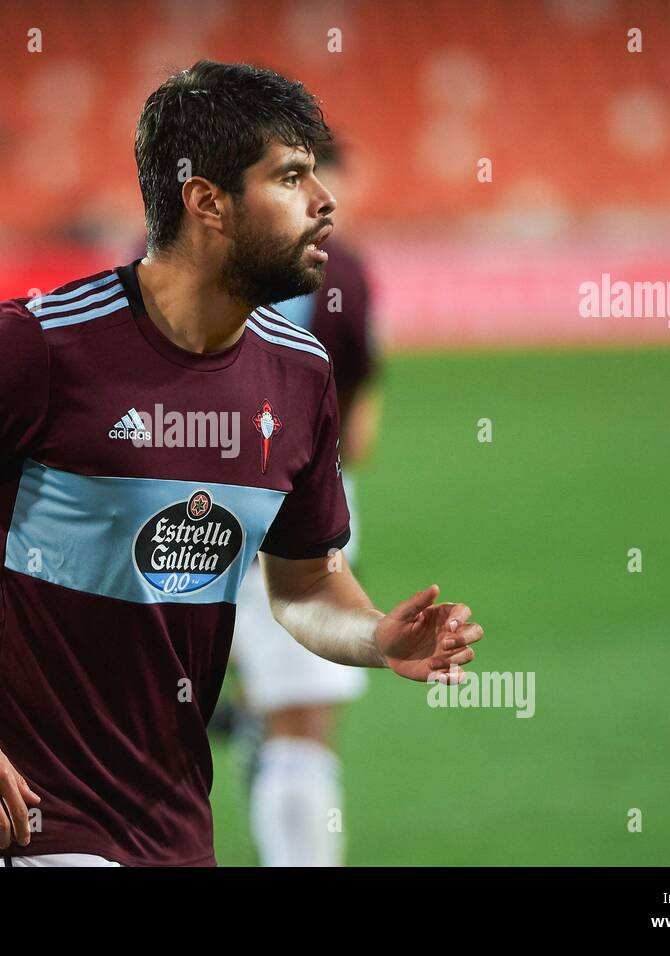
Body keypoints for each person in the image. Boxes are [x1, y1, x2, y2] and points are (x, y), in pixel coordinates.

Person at [0, 60, 484, 867]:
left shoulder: (299, 375)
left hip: (169, 821)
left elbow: (302, 585)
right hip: (25, 812)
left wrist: (376, 636)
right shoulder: (38, 347)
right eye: (292, 177)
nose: (325, 200)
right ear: (207, 203)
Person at [227, 139, 382, 866]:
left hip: (166, 503)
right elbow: (358, 424)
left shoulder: (161, 250)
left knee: (132, 716)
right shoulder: (341, 269)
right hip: (296, 507)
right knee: (302, 728)